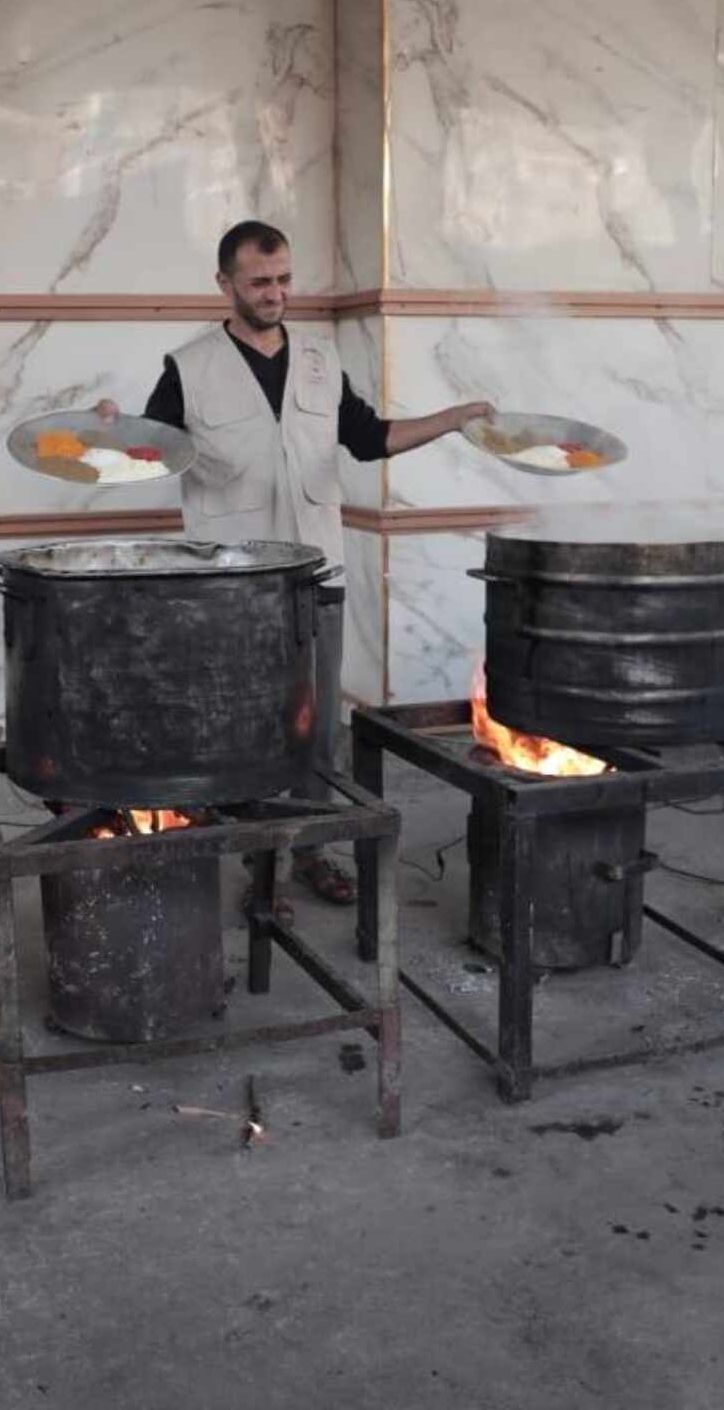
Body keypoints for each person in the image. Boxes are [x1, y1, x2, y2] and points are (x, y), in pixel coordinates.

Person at [98, 219, 491, 921]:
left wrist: (455, 418)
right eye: (259, 282)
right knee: (246, 725)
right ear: (225, 284)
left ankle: (310, 850)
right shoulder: (188, 368)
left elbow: (369, 439)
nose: (275, 293)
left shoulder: (318, 358)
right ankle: (260, 865)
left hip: (316, 576)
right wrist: (112, 428)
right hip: (230, 586)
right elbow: (150, 451)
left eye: (283, 279)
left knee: (315, 726)